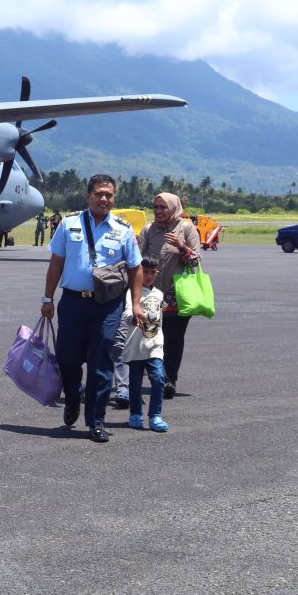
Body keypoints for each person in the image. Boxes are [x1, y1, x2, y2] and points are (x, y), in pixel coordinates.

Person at [41, 175, 143, 443]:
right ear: (88, 196)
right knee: (68, 359)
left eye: (109, 194)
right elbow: (56, 263)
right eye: (99, 193)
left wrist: (135, 303)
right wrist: (47, 299)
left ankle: (96, 420)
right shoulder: (68, 224)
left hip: (107, 305)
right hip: (73, 301)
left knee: (101, 362)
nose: (104, 198)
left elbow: (135, 268)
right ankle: (73, 397)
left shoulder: (123, 229)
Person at [138, 192, 201, 399]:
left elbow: (195, 261)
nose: (158, 212)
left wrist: (181, 246)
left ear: (174, 208)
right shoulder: (148, 230)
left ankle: (169, 379)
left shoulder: (187, 228)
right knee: (149, 338)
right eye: (155, 207)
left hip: (176, 297)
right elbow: (137, 260)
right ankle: (157, 374)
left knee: (173, 340)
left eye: (163, 207)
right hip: (150, 297)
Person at [118, 256, 169, 432]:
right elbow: (125, 316)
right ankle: (135, 414)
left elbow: (159, 319)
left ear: (157, 273)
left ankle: (155, 415)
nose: (148, 276)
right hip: (136, 345)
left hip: (154, 344)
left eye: (152, 272)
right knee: (135, 383)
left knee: (158, 379)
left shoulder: (159, 294)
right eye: (144, 271)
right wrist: (134, 318)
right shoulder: (133, 292)